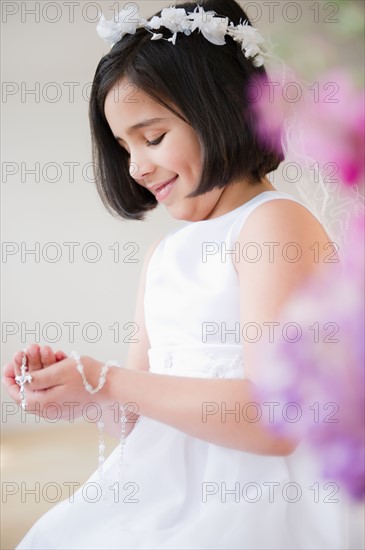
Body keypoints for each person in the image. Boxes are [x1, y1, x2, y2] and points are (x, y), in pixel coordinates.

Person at [3, 0, 347, 548]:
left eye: (152, 137)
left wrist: (108, 377)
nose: (136, 167)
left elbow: (275, 418)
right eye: (124, 148)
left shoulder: (271, 225)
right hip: (167, 491)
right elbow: (144, 417)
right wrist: (83, 393)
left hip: (252, 498)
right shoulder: (164, 256)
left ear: (222, 110)